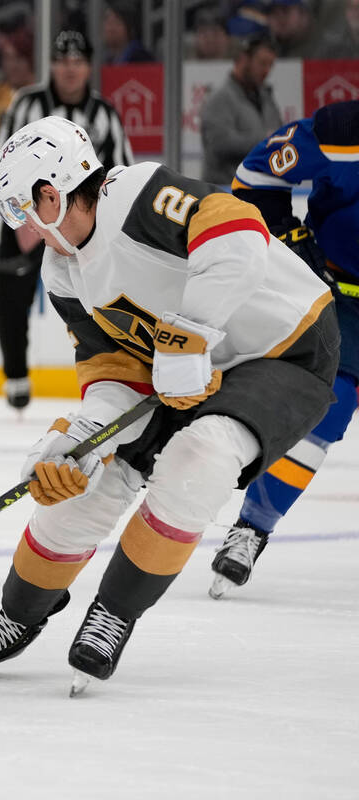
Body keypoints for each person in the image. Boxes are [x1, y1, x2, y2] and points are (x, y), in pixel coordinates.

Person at [0, 116, 338, 690]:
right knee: (87, 479)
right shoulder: (63, 269)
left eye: (20, 210)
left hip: (285, 346)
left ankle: (113, 614)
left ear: (51, 195)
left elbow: (240, 230)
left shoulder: (135, 195)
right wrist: (82, 438)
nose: (22, 229)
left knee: (200, 458)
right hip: (179, 365)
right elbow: (113, 370)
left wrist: (190, 333)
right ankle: (18, 615)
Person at [210, 100, 359, 597]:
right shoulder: (342, 134)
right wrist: (292, 238)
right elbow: (255, 178)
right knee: (323, 417)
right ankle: (252, 528)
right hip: (345, 301)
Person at [0, 30, 133, 410]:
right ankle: (17, 375)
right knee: (10, 296)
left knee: (103, 293)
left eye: (78, 61)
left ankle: (121, 370)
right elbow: (3, 164)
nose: (70, 69)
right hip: (28, 212)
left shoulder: (105, 114)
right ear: (51, 65)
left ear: (88, 67)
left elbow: (119, 170)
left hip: (80, 216)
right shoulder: (25, 104)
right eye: (62, 61)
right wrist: (27, 222)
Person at [199, 34, 280, 186]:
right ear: (243, 59)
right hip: (224, 192)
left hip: (258, 191)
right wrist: (266, 140)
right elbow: (220, 144)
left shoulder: (266, 98)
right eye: (262, 63)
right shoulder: (219, 99)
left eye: (270, 65)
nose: (266, 71)